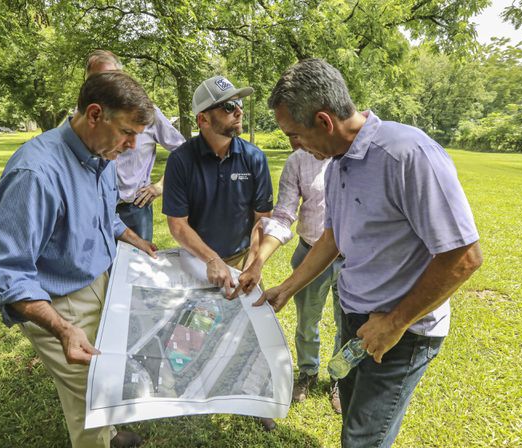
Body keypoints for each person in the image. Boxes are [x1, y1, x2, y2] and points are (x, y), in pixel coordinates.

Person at [256, 58, 483, 448]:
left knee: (363, 438)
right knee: (352, 417)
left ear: (324, 122)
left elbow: (464, 256)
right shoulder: (339, 161)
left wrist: (394, 323)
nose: (294, 145)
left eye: (294, 134)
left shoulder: (405, 154)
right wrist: (288, 287)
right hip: (356, 316)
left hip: (402, 331)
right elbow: (333, 237)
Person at [0, 72, 158, 448]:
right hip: (58, 302)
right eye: (128, 132)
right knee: (95, 390)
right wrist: (62, 329)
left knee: (99, 385)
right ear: (95, 114)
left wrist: (133, 239)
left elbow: (106, 215)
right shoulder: (37, 172)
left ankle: (109, 435)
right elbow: (6, 271)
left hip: (100, 281)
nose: (131, 145)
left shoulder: (102, 153)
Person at [162, 75, 276, 431]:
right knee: (197, 319)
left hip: (242, 257)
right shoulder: (181, 161)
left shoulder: (254, 158)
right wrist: (211, 259)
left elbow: (262, 218)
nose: (238, 111)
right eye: (228, 106)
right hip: (198, 258)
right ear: (203, 119)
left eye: (239, 104)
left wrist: (255, 261)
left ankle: (256, 398)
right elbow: (178, 225)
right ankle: (172, 384)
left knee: (251, 328)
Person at [237, 147, 344, 413]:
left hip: (353, 259)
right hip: (310, 254)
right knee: (308, 322)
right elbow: (284, 214)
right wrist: (259, 260)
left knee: (348, 323)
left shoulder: (350, 155)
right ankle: (307, 372)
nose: (295, 140)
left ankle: (341, 378)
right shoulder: (297, 161)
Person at [84, 50, 186, 242]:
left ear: (121, 78)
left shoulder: (146, 112)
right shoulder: (84, 118)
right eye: (95, 80)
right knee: (100, 268)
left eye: (109, 78)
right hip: (94, 209)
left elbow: (184, 151)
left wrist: (161, 186)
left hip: (134, 209)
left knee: (138, 266)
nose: (102, 87)